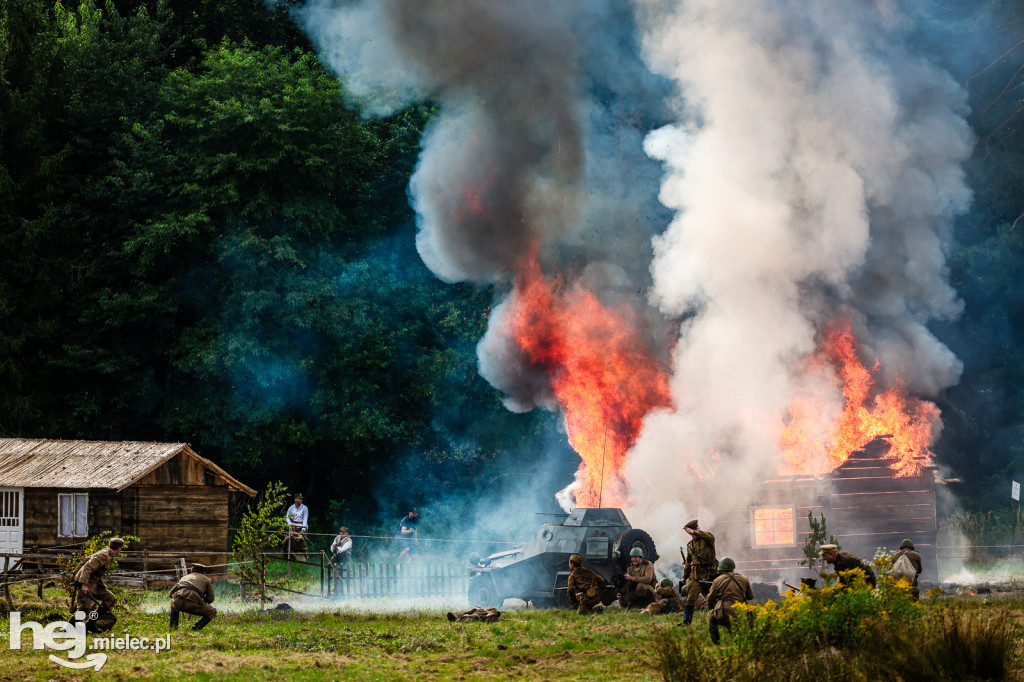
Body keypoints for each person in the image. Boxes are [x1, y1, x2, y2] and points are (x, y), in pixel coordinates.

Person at [73, 537, 123, 633]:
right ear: (119, 548)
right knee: (84, 608)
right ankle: (68, 629)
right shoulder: (103, 556)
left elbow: (86, 560)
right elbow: (87, 567)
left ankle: (91, 623)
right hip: (87, 582)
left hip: (95, 583)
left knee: (110, 599)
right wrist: (83, 584)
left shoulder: (108, 553)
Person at [706, 557, 754, 644]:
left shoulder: (717, 581)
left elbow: (710, 599)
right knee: (737, 631)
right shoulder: (744, 578)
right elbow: (750, 596)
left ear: (722, 570)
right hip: (741, 612)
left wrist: (710, 593)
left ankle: (717, 644)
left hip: (724, 612)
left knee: (711, 619)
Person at [681, 519, 717, 625]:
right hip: (696, 575)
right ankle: (686, 621)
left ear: (698, 529)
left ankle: (714, 619)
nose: (692, 535)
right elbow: (688, 562)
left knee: (712, 598)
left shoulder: (707, 539)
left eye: (694, 531)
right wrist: (684, 577)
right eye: (690, 533)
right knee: (691, 597)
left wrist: (695, 532)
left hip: (710, 574)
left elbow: (710, 536)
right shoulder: (690, 545)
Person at [169, 563, 217, 631]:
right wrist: (202, 600)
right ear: (204, 572)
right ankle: (195, 628)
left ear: (191, 571)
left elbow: (170, 593)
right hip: (193, 603)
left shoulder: (184, 577)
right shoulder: (207, 580)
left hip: (178, 602)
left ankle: (173, 629)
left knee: (173, 605)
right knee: (212, 611)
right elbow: (210, 599)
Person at [285, 493, 309, 561]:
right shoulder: (291, 508)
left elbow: (305, 518)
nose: (301, 500)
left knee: (303, 542)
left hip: (301, 526)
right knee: (289, 540)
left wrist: (303, 529)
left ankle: (305, 556)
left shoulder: (305, 508)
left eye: (301, 499)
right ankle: (288, 555)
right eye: (299, 498)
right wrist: (290, 524)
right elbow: (287, 517)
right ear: (295, 500)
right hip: (293, 527)